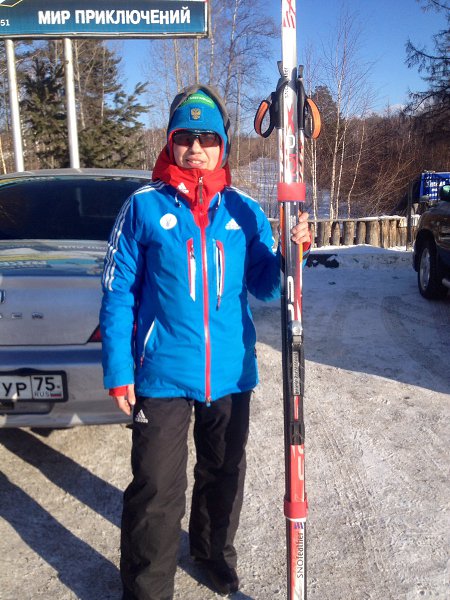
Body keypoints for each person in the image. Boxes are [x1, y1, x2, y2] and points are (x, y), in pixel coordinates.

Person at [100, 84, 310, 600]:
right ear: (170, 142)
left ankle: (213, 554)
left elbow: (264, 284)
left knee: (223, 474)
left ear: (223, 146)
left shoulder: (243, 210)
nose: (195, 147)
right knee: (156, 487)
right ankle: (147, 589)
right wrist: (119, 370)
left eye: (207, 137)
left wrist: (291, 253)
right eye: (184, 136)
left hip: (231, 374)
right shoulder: (142, 207)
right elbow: (117, 293)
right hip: (162, 373)